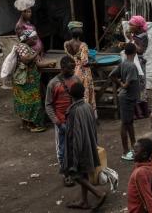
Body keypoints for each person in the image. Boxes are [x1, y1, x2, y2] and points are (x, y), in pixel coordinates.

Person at [64, 82, 106, 210]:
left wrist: (74, 157)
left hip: (79, 148)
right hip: (89, 144)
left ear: (71, 95)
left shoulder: (74, 111)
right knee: (84, 174)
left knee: (75, 174)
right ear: (83, 93)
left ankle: (98, 193)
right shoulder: (88, 106)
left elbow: (75, 136)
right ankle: (84, 201)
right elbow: (93, 127)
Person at [44, 56, 80, 187]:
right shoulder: (53, 84)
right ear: (62, 68)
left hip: (75, 120)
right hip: (61, 122)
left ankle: (75, 169)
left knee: (75, 146)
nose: (73, 71)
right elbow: (48, 105)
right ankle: (66, 174)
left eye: (73, 68)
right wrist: (57, 122)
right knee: (63, 149)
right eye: (70, 68)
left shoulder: (76, 79)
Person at [111, 43, 140, 161]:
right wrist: (123, 85)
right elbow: (127, 84)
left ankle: (134, 146)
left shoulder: (123, 63)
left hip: (127, 97)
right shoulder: (132, 66)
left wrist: (119, 83)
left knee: (129, 122)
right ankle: (125, 151)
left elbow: (111, 75)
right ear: (134, 52)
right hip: (127, 97)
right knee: (125, 123)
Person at [12, 29, 45, 131]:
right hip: (25, 81)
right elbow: (25, 60)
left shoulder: (27, 47)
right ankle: (32, 125)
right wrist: (37, 53)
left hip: (29, 81)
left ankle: (26, 123)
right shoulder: (22, 46)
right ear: (27, 39)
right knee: (30, 101)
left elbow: (36, 63)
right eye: (34, 38)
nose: (36, 40)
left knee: (27, 101)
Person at [64, 21, 95, 112]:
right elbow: (84, 62)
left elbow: (71, 57)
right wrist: (91, 60)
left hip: (73, 70)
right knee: (85, 92)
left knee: (75, 93)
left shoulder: (66, 44)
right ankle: (86, 112)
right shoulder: (83, 45)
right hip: (83, 71)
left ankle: (75, 110)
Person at [127, 138, 152, 213]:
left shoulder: (141, 172)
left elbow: (148, 197)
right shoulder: (149, 164)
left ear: (144, 154)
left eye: (135, 152)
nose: (133, 154)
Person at [127, 15, 149, 118]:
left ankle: (142, 111)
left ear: (138, 26)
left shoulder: (143, 36)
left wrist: (132, 40)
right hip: (134, 61)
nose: (129, 25)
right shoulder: (135, 34)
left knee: (140, 85)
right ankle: (137, 112)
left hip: (139, 62)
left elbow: (140, 50)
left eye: (131, 24)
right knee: (134, 84)